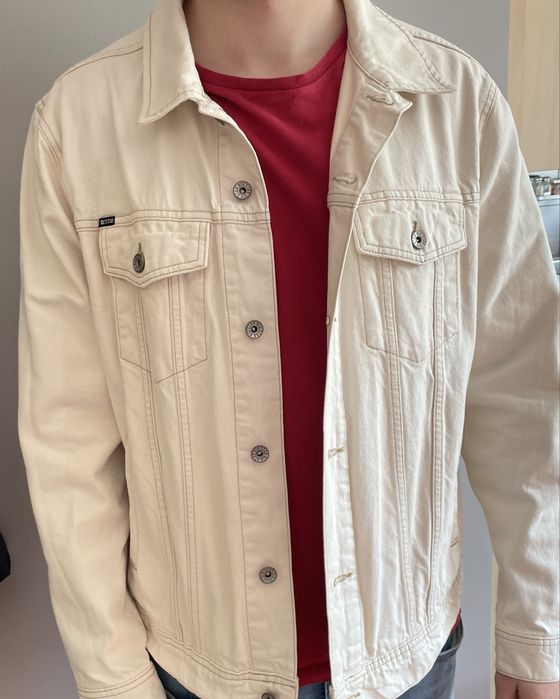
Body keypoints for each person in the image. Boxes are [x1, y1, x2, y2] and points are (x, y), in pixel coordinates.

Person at [17, 0, 559, 698]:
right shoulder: (80, 126)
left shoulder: (456, 108)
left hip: (407, 662)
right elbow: (67, 445)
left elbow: (524, 399)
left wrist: (538, 633)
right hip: (190, 671)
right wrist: (113, 680)